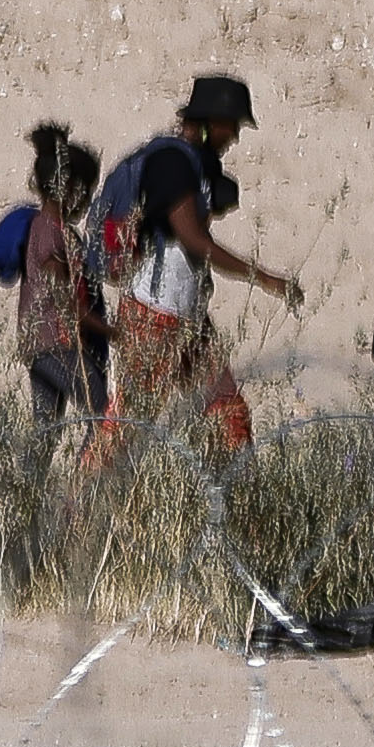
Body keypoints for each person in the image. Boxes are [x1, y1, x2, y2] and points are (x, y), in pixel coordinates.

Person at [86, 72, 301, 470]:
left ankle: (233, 509)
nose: (234, 135)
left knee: (229, 415)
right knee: (128, 425)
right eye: (232, 125)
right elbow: (194, 240)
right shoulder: (171, 163)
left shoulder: (193, 165)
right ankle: (74, 516)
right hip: (153, 319)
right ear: (208, 123)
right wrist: (265, 279)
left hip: (187, 320)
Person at [0, 124, 113, 436]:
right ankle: (91, 485)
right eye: (86, 189)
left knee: (46, 432)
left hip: (37, 346)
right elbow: (65, 302)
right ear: (71, 189)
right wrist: (113, 331)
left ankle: (26, 486)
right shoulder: (53, 234)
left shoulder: (41, 229)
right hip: (62, 346)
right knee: (104, 422)